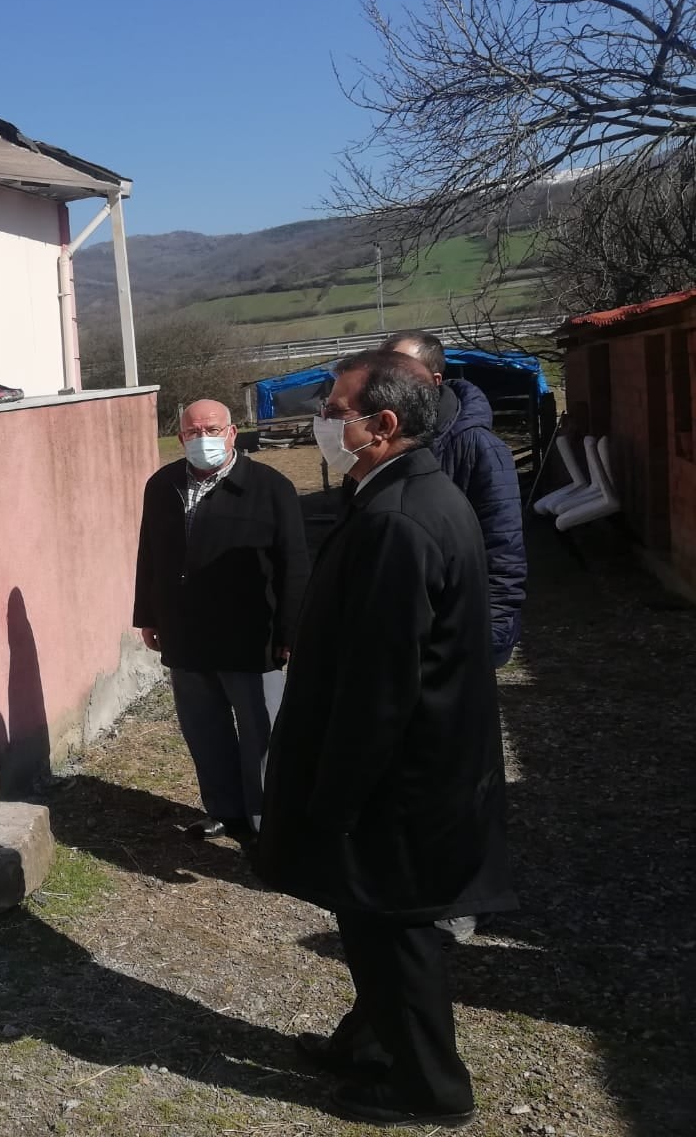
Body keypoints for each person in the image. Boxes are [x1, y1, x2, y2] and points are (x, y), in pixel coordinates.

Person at [254, 352, 516, 1129]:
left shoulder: (401, 520)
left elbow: (379, 687)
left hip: (400, 781)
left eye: (336, 409)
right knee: (371, 925)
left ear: (382, 426)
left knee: (391, 932)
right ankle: (367, 1043)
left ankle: (431, 1090)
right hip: (413, 770)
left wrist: (330, 799)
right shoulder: (398, 495)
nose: (323, 423)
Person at [133, 398, 308, 840]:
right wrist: (148, 614)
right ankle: (224, 810)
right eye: (193, 432)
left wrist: (291, 629)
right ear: (181, 438)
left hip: (250, 637)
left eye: (212, 430)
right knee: (204, 730)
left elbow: (294, 564)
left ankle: (266, 821)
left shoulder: (271, 488)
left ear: (232, 433)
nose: (203, 439)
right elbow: (149, 555)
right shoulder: (163, 485)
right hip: (186, 634)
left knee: (261, 733)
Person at [379, 330, 526, 666]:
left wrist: (489, 639)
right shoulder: (386, 440)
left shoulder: (478, 446)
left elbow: (504, 549)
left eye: (400, 370)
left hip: (459, 630)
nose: (387, 382)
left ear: (434, 380)